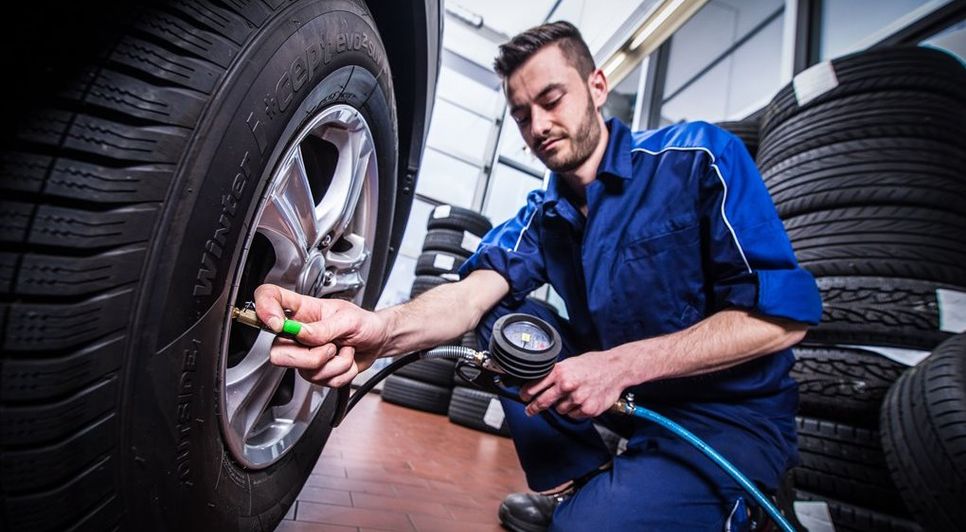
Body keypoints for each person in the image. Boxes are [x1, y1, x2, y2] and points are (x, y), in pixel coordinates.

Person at [254, 21, 821, 531]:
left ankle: (749, 508)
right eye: (523, 114)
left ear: (597, 86)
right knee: (508, 322)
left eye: (552, 99)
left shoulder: (696, 160)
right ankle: (583, 483)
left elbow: (783, 319)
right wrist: (378, 329)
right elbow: (470, 299)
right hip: (634, 405)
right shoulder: (542, 216)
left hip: (729, 421)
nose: (539, 126)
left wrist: (618, 365)